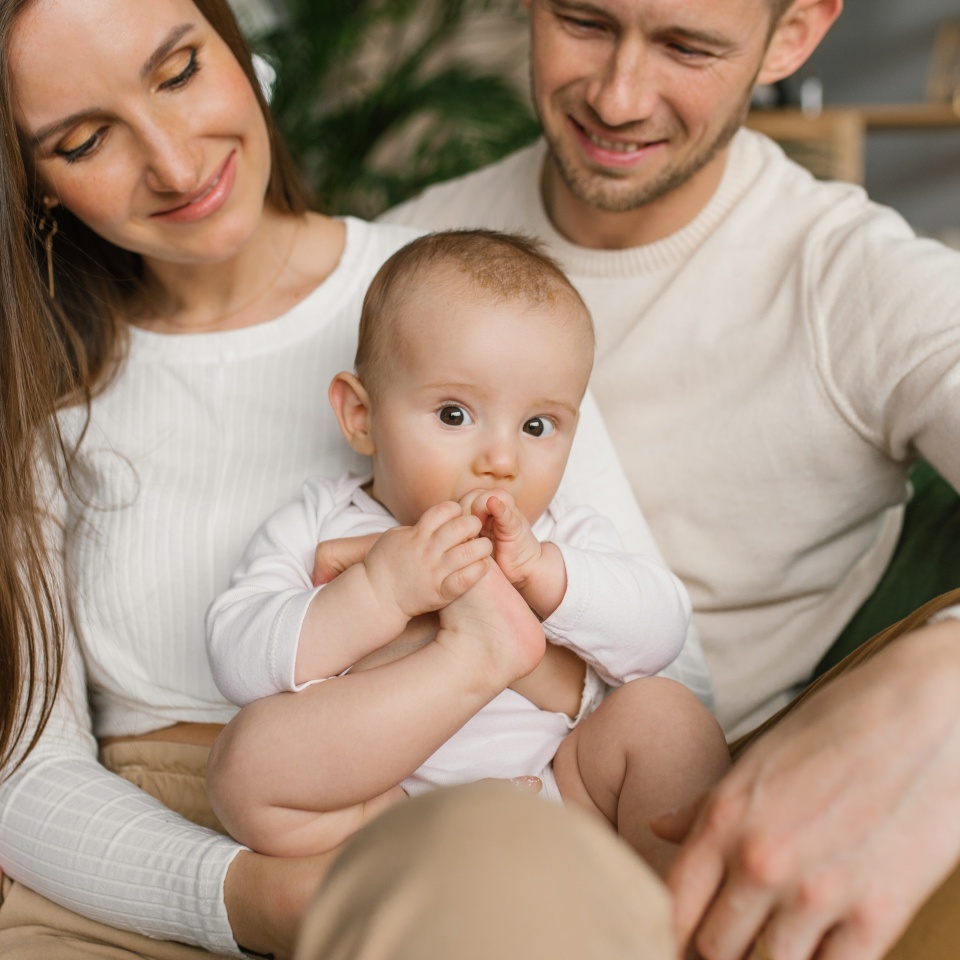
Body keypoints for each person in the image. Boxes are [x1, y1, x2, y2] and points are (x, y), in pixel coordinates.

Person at [0, 1, 708, 958]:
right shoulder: (38, 394)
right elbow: (24, 776)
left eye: (178, 74)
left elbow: (668, 687)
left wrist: (478, 632)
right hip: (146, 862)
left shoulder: (459, 306)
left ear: (237, 51)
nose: (173, 162)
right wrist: (247, 897)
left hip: (497, 808)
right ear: (30, 182)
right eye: (85, 141)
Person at [381, 0, 960, 957]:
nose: (617, 95)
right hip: (438, 816)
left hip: (700, 830)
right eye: (584, 21)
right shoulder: (401, 256)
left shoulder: (856, 283)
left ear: (794, 34)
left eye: (688, 45)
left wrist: (942, 676)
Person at [204, 229, 729, 872]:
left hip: (562, 799)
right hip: (389, 823)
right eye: (455, 414)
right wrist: (379, 593)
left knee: (665, 715)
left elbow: (661, 631)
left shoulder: (559, 534)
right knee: (245, 763)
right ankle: (481, 655)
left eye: (538, 426)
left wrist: (547, 576)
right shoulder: (323, 522)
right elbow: (236, 656)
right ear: (361, 416)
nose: (502, 460)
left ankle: (678, 913)